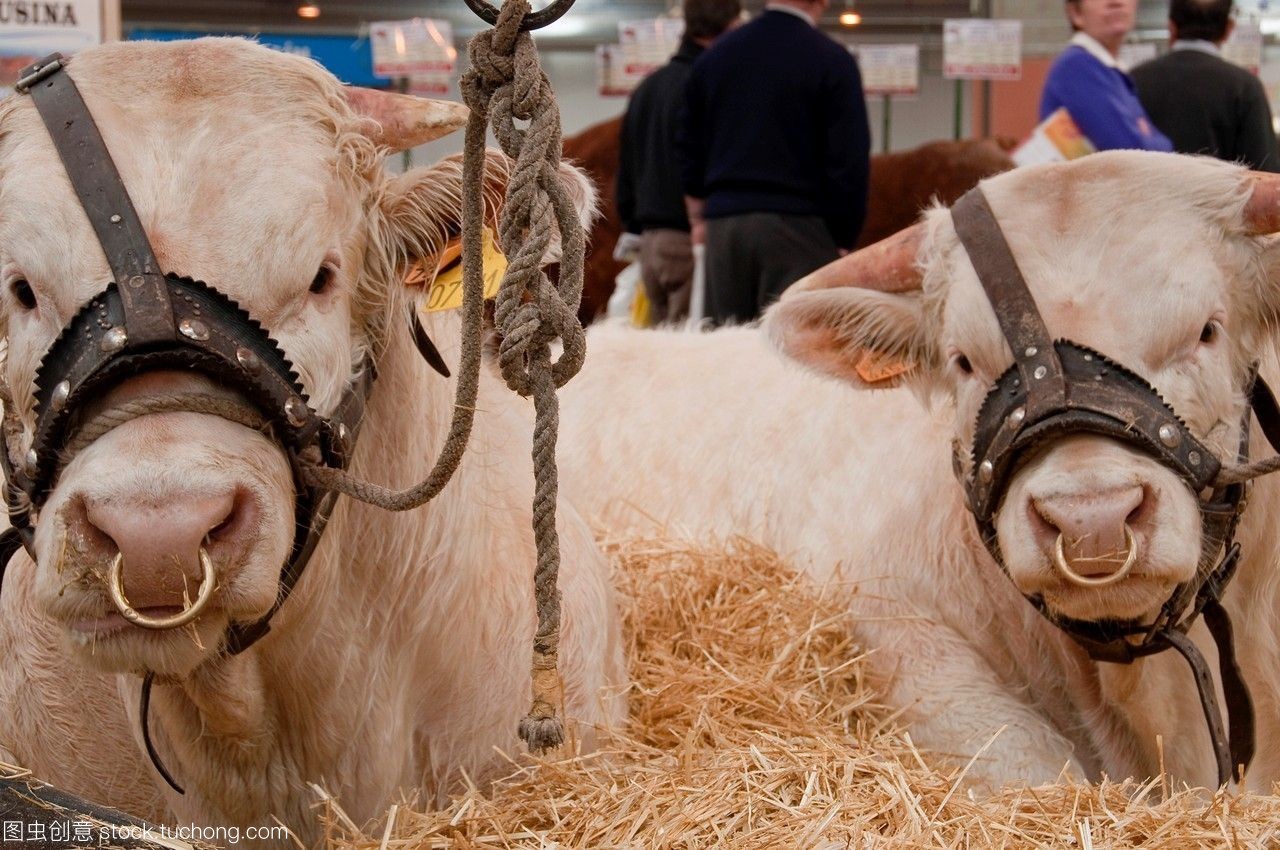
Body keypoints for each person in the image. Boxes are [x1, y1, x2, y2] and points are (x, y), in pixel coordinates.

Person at [679, 0, 870, 326]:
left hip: (726, 229)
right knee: (793, 354)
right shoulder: (832, 59)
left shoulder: (714, 58)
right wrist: (842, 236)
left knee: (724, 352)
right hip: (798, 228)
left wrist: (700, 215)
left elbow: (686, 144)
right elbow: (849, 160)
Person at [616, 0, 742, 323]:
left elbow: (626, 169)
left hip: (650, 244)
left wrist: (636, 226)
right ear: (730, 27)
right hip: (688, 242)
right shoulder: (708, 86)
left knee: (658, 350)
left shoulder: (647, 88)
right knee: (686, 354)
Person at [1130, 0, 1280, 171]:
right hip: (1221, 198)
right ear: (1228, 29)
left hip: (1148, 196)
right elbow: (1264, 171)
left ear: (1171, 28)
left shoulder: (1132, 81)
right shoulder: (1245, 87)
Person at [1040, 0, 1173, 152]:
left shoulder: (1110, 71)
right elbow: (1131, 152)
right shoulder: (1078, 66)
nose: (1116, 2)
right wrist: (1150, 138)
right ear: (1075, 13)